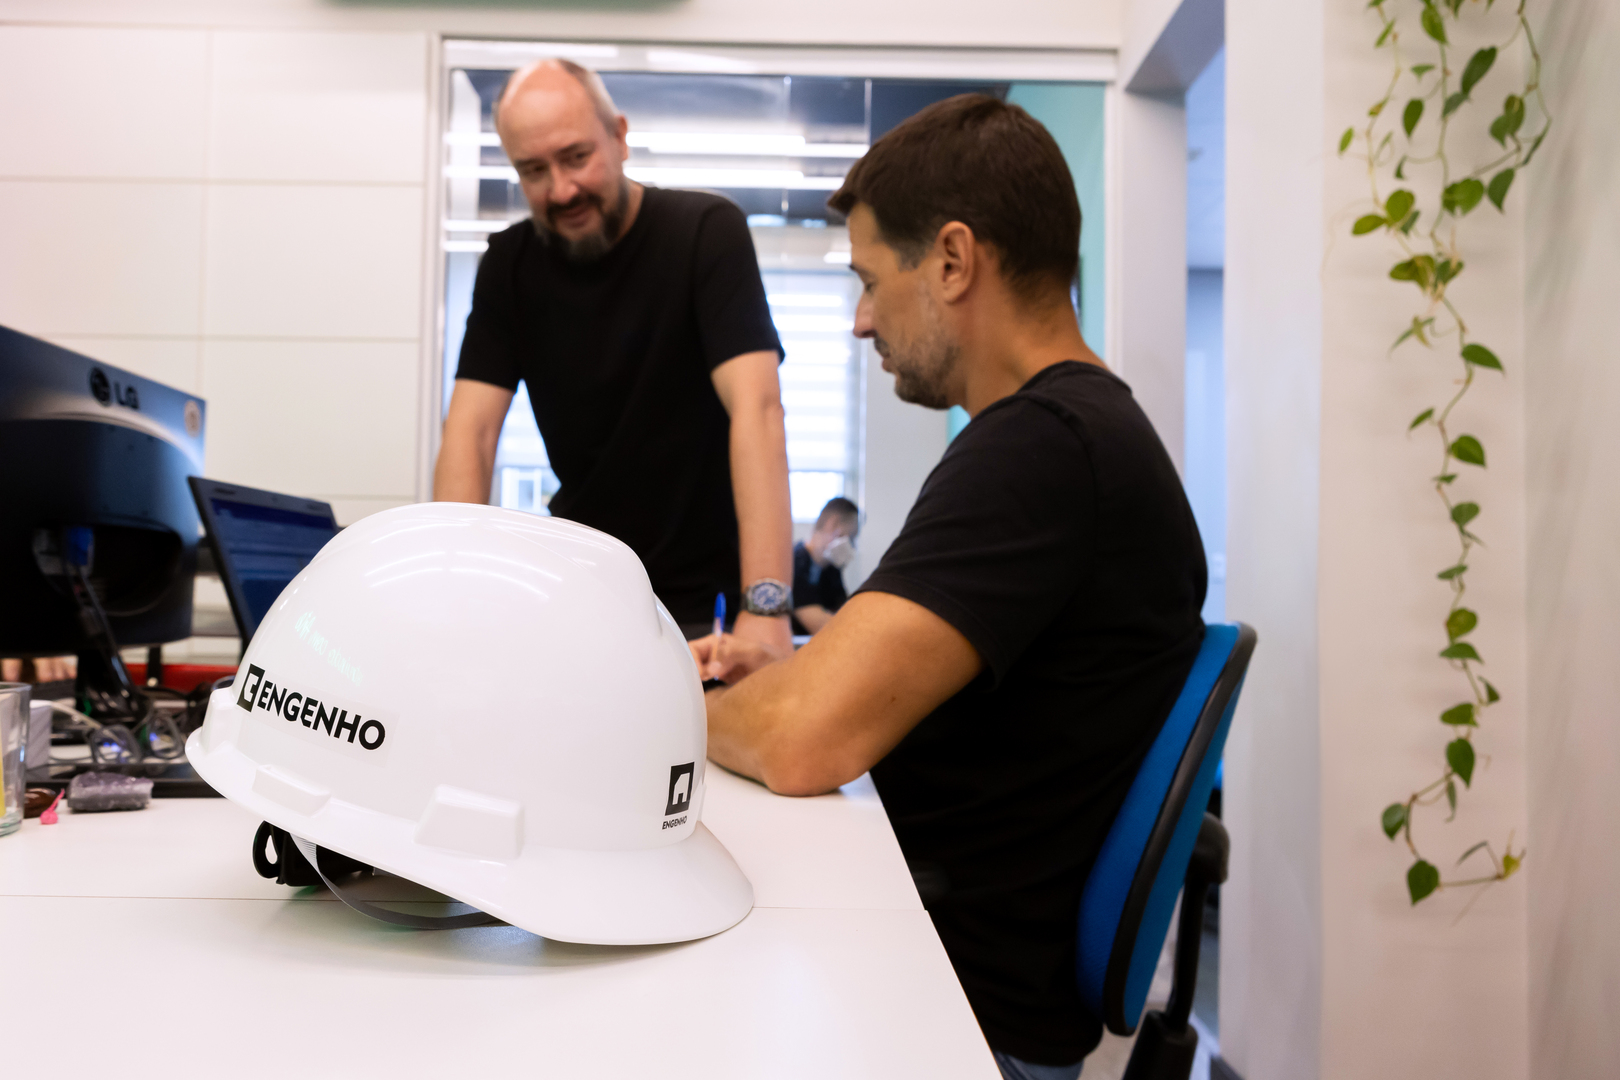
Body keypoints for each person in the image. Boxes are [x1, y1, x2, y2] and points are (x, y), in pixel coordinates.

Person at [689, 95, 1206, 1080]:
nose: (860, 321)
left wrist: (679, 704)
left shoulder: (1042, 450)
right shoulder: (1072, 436)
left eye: (870, 281)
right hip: (944, 973)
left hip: (952, 1012)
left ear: (955, 262)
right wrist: (782, 682)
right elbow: (850, 691)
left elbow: (801, 740)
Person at [434, 60, 794, 649]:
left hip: (711, 609)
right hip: (583, 600)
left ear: (619, 137)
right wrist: (449, 603)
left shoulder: (706, 232)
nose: (561, 190)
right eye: (534, 171)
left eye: (576, 157)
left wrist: (768, 607)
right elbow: (470, 434)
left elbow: (757, 409)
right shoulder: (508, 266)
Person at [791, 496, 859, 636]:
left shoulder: (831, 569)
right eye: (850, 537)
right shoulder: (795, 563)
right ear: (832, 524)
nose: (851, 545)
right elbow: (819, 625)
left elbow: (845, 612)